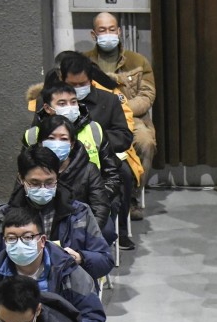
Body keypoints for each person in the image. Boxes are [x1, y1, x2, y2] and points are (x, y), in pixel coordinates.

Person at [0, 146, 112, 281]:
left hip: (67, 288)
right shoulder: (2, 216)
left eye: (49, 182)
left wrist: (80, 258)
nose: (43, 188)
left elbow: (105, 260)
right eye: (34, 183)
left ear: (58, 178)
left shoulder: (79, 213)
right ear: (21, 179)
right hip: (17, 290)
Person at [84, 11, 156, 220]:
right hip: (92, 118)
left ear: (120, 31)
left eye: (111, 29)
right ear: (93, 34)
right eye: (102, 30)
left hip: (132, 118)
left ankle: (131, 197)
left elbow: (147, 95)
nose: (108, 34)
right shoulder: (84, 62)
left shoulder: (138, 61)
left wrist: (120, 110)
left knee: (145, 142)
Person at [25, 81, 124, 219]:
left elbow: (112, 175)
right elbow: (23, 177)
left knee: (104, 230)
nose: (70, 108)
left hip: (91, 201)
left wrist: (97, 197)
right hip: (44, 203)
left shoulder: (94, 130)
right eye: (62, 104)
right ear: (47, 108)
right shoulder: (32, 136)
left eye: (73, 102)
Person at [33, 115, 112, 230]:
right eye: (51, 138)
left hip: (78, 225)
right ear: (41, 143)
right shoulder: (31, 168)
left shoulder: (88, 170)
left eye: (64, 139)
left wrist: (86, 237)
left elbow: (100, 207)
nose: (57, 143)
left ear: (72, 144)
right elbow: (17, 205)